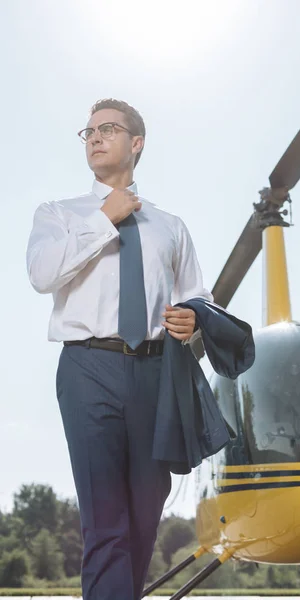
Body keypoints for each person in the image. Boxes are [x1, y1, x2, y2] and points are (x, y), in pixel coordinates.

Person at [26, 98, 213, 600]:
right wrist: (104, 219)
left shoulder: (171, 227)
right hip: (88, 367)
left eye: (107, 128)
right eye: (87, 131)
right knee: (105, 519)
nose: (93, 136)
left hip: (155, 375)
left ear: (136, 143)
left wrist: (194, 319)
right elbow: (42, 275)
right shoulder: (59, 213)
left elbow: (199, 298)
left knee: (144, 519)